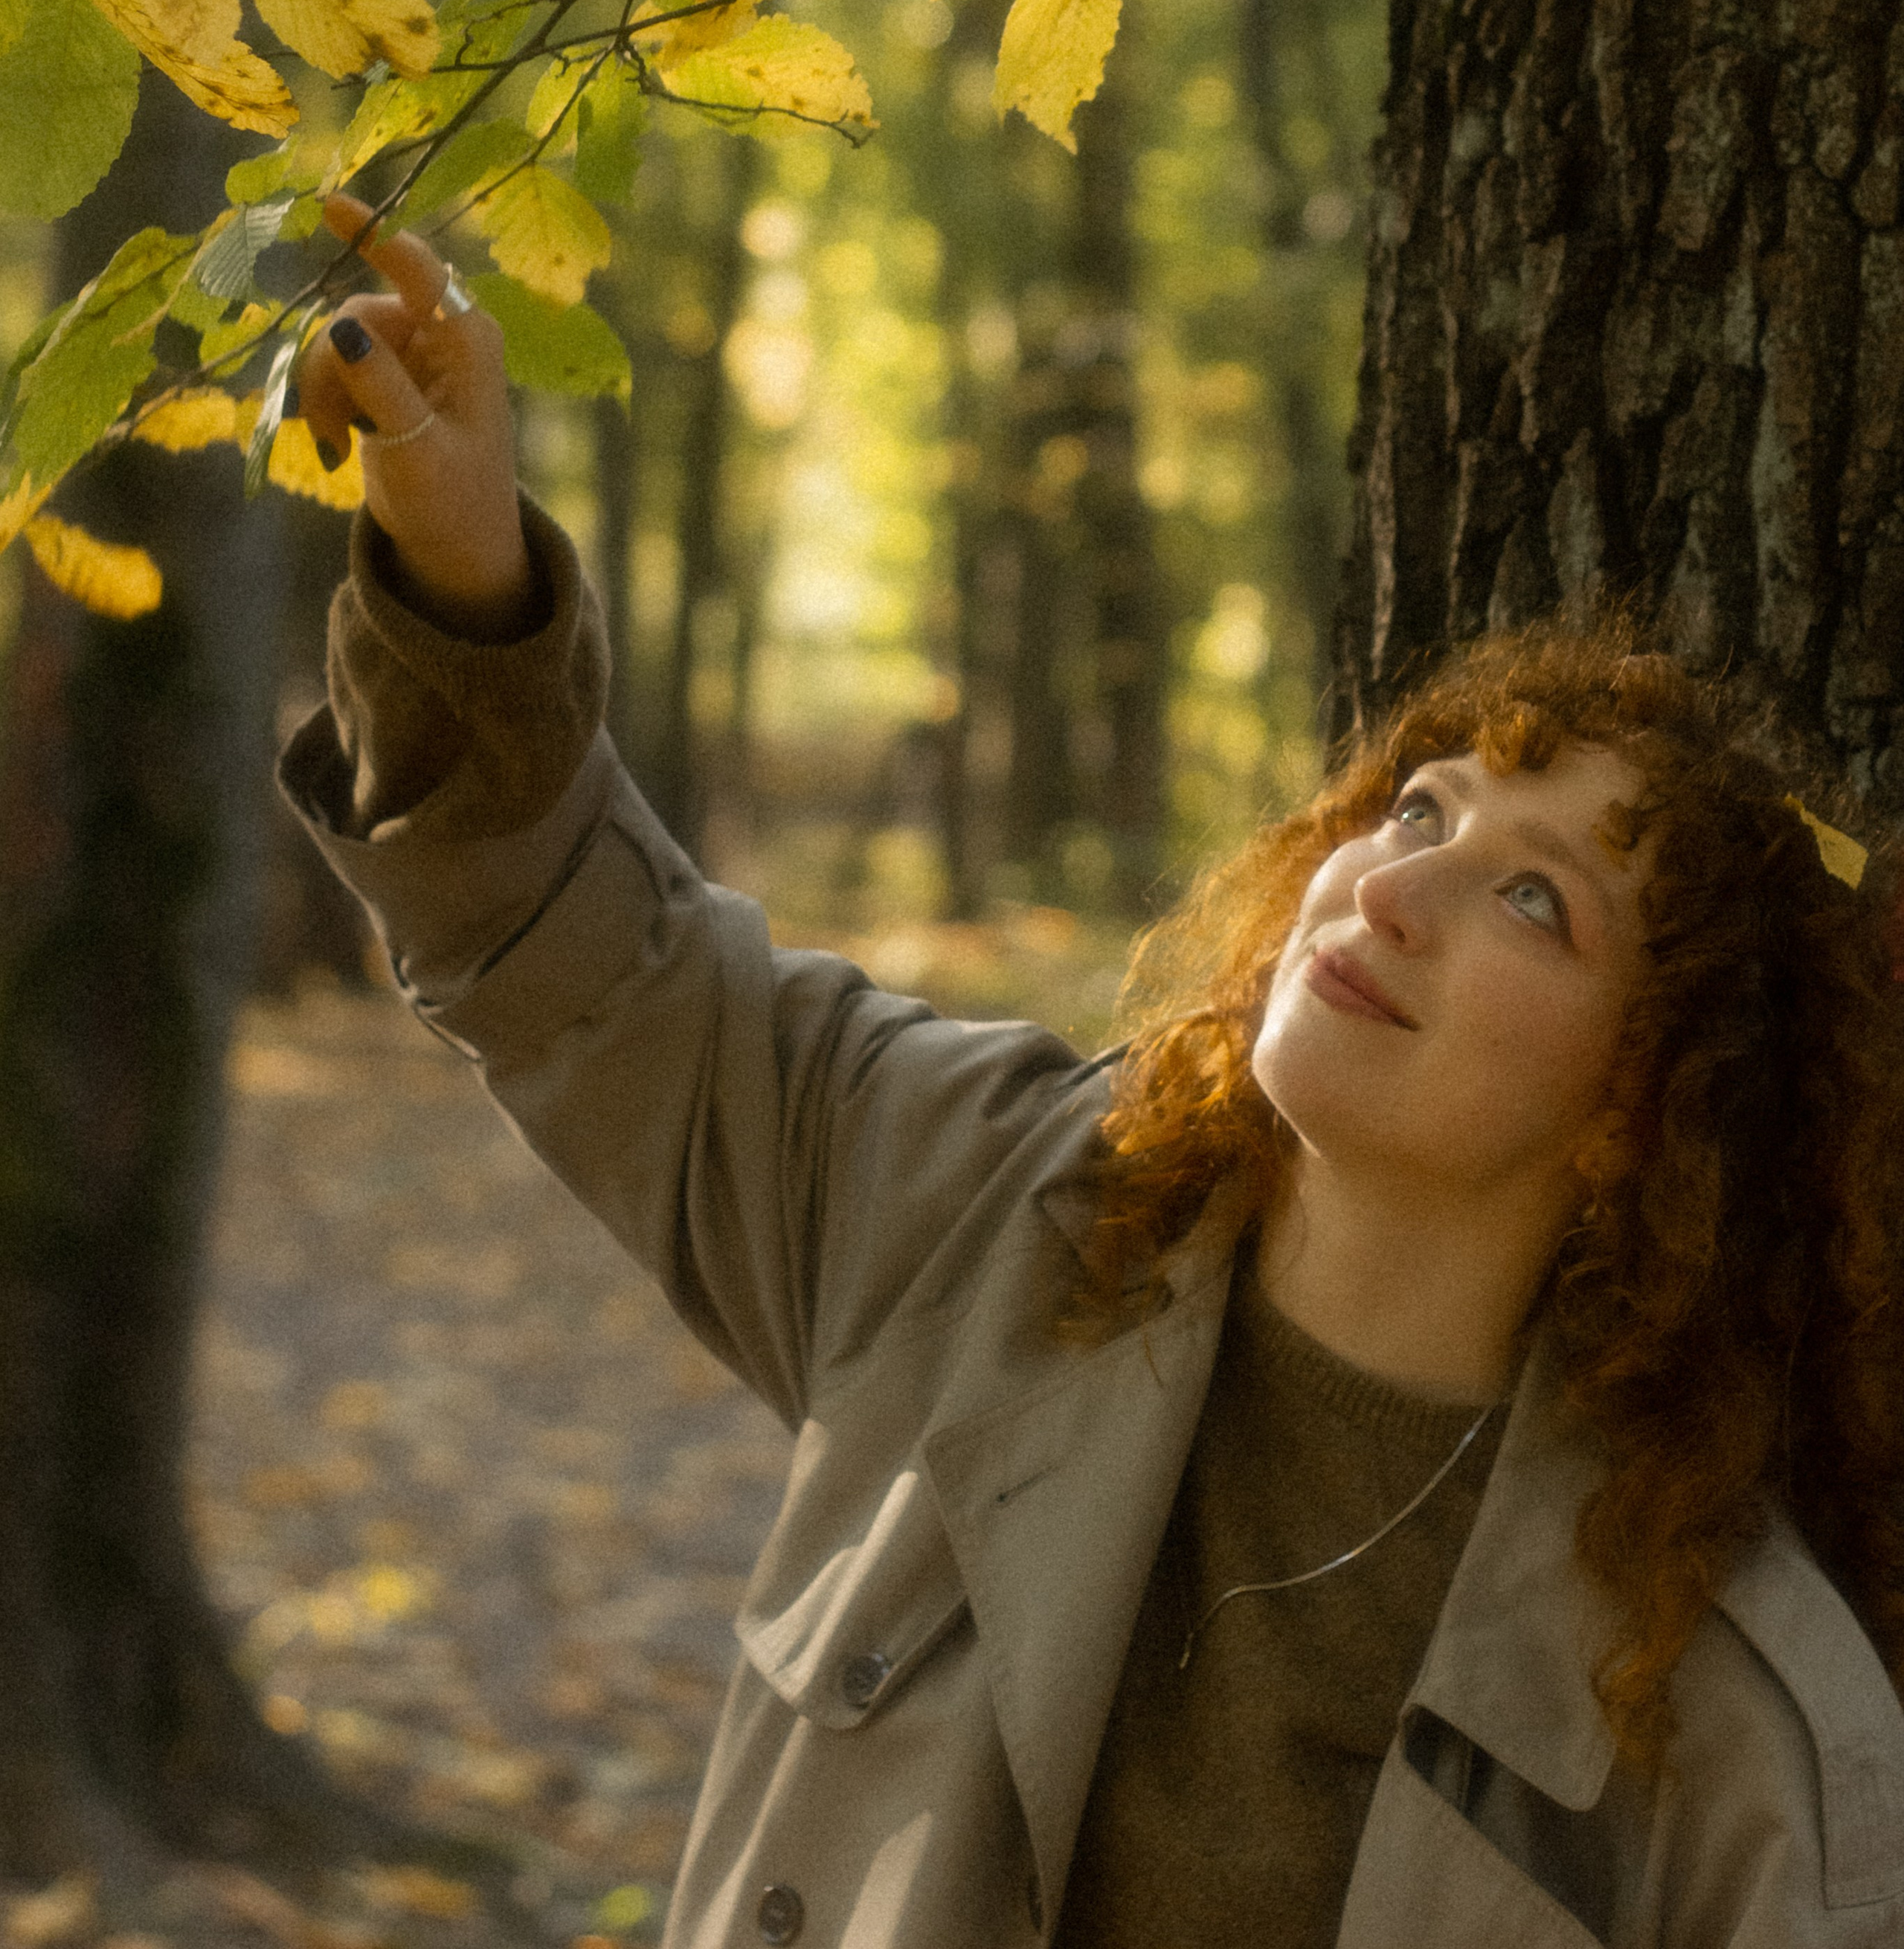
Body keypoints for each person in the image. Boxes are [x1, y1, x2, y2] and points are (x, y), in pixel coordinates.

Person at [283, 193, 1904, 1949]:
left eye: (1533, 898)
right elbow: (575, 966)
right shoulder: (979, 1204)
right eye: (1419, 807)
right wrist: (458, 570)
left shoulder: (1722, 1729)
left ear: (1640, 1111)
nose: (1395, 883)